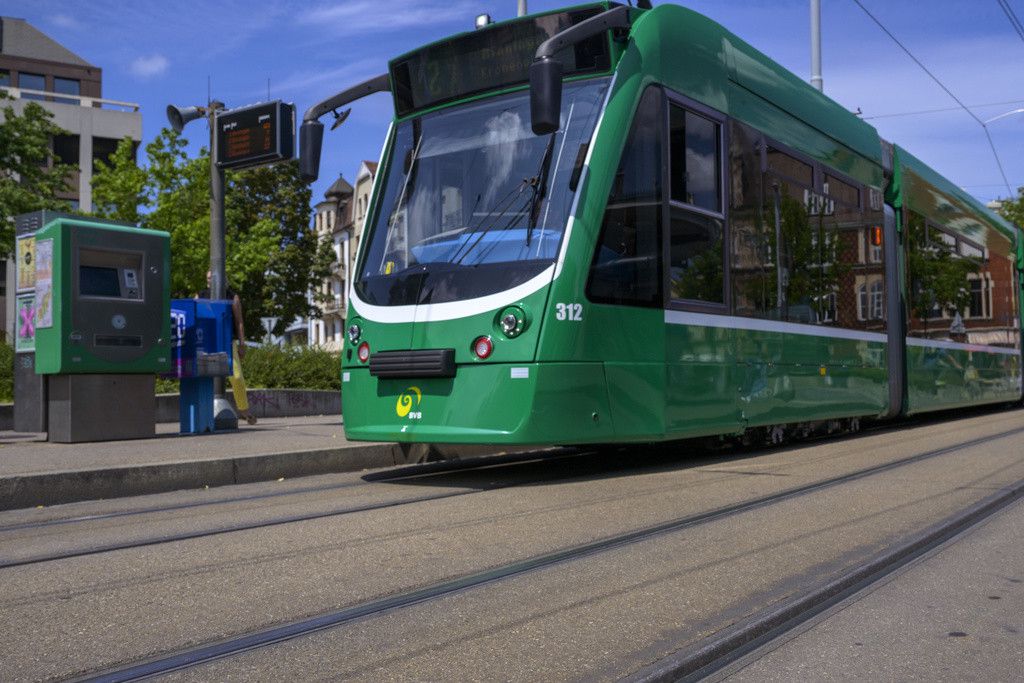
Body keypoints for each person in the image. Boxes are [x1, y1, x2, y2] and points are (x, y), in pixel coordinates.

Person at [200, 271, 257, 425]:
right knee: (204, 375)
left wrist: (242, 344)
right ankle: (204, 410)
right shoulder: (201, 295)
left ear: (224, 280)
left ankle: (244, 410)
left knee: (236, 376)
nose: (210, 280)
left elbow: (239, 322)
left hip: (227, 341)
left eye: (213, 277)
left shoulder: (232, 297)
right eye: (208, 278)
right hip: (207, 341)